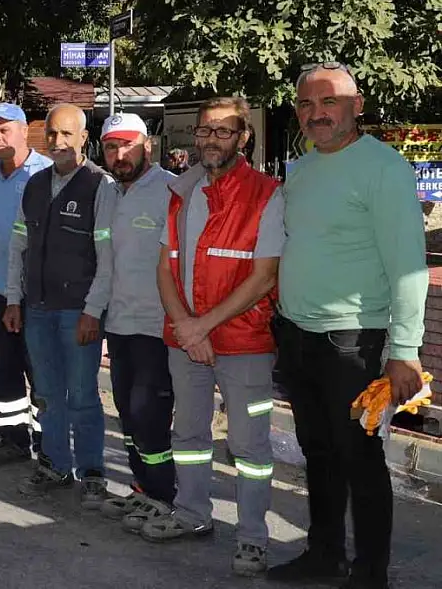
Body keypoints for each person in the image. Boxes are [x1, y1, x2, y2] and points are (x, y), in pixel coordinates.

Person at [269, 64, 428, 589]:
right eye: (306, 104)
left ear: (356, 105)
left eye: (329, 102)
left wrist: (404, 351)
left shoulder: (383, 168)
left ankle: (370, 572)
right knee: (317, 452)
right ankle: (324, 554)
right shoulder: (303, 168)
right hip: (297, 335)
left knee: (359, 459)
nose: (317, 113)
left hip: (353, 343)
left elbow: (408, 263)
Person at [141, 96, 282, 578]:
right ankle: (193, 515)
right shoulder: (181, 191)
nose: (211, 140)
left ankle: (252, 539)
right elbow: (165, 267)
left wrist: (201, 325)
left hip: (244, 343)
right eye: (204, 131)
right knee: (189, 434)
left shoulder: (267, 193)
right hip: (185, 338)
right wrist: (186, 325)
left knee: (249, 446)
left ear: (244, 137)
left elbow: (264, 277)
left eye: (224, 131)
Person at [4, 104, 116, 505]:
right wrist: (14, 299)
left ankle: (91, 473)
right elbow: (19, 245)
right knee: (47, 394)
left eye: (67, 134)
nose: (58, 142)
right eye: (52, 134)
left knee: (83, 395)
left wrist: (93, 310)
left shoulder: (99, 185)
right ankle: (54, 464)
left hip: (77, 311)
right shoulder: (34, 186)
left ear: (84, 138)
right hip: (37, 308)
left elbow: (107, 258)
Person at [92, 114, 178, 531]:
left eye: (127, 145)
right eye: (111, 147)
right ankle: (142, 490)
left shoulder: (170, 190)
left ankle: (164, 496)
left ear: (148, 146)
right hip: (119, 323)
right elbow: (104, 263)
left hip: (156, 326)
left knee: (150, 415)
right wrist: (95, 310)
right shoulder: (108, 194)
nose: (119, 154)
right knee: (126, 412)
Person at [0, 102, 51, 467]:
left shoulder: (45, 175)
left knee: (38, 367)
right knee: (1, 368)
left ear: (25, 131)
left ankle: (47, 442)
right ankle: (12, 441)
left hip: (32, 292)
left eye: (4, 129)